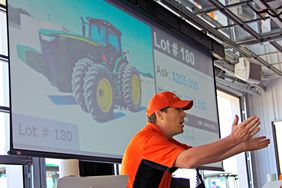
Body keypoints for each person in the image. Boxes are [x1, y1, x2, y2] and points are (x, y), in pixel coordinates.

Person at [121, 91, 270, 188]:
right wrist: (233, 139)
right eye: (178, 109)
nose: (184, 114)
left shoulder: (162, 140)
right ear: (159, 114)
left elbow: (202, 156)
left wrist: (240, 145)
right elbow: (189, 160)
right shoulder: (148, 141)